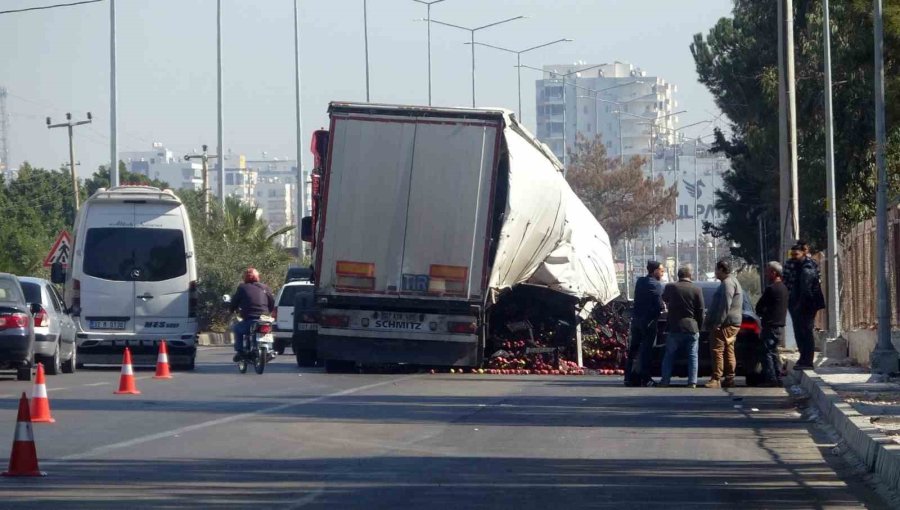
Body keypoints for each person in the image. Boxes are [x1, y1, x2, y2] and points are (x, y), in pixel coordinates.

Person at [659, 265, 704, 388]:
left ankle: (665, 381)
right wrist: (699, 327)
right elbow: (700, 310)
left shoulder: (671, 287)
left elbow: (664, 298)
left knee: (669, 355)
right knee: (693, 355)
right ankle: (692, 382)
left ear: (678, 276)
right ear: (690, 276)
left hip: (675, 327)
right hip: (692, 327)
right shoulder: (697, 289)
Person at [702, 260, 744, 388]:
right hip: (731, 322)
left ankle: (716, 378)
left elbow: (725, 305)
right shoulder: (731, 281)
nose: (715, 272)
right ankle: (730, 378)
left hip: (726, 323)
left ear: (721, 269)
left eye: (716, 269)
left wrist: (718, 323)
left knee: (717, 350)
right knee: (729, 350)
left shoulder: (728, 283)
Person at [785, 243, 825, 370]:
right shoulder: (796, 265)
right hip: (797, 303)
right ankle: (803, 358)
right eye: (792, 255)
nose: (793, 257)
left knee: (805, 332)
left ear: (804, 253)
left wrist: (799, 305)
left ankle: (807, 361)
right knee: (799, 332)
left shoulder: (807, 267)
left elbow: (806, 290)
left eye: (796, 254)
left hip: (806, 305)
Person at [625, 261, 665, 387]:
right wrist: (660, 310)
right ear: (655, 271)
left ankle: (629, 378)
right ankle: (645, 379)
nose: (662, 273)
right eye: (661, 271)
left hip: (636, 320)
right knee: (647, 351)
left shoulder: (640, 281)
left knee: (634, 350)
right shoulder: (656, 284)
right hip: (648, 323)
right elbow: (659, 305)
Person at [229, 267, 275, 362]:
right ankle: (269, 350)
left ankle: (240, 352)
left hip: (250, 319)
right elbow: (272, 303)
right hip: (264, 319)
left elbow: (234, 302)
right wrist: (268, 312)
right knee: (267, 331)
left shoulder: (242, 288)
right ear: (257, 277)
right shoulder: (265, 287)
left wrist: (231, 310)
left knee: (237, 329)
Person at [756, 261, 789, 386]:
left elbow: (759, 307)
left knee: (767, 352)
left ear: (774, 273)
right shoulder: (784, 288)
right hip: (779, 325)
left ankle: (771, 379)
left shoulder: (771, 289)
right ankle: (778, 377)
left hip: (770, 325)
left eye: (768, 271)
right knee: (774, 351)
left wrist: (764, 313)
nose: (766, 274)